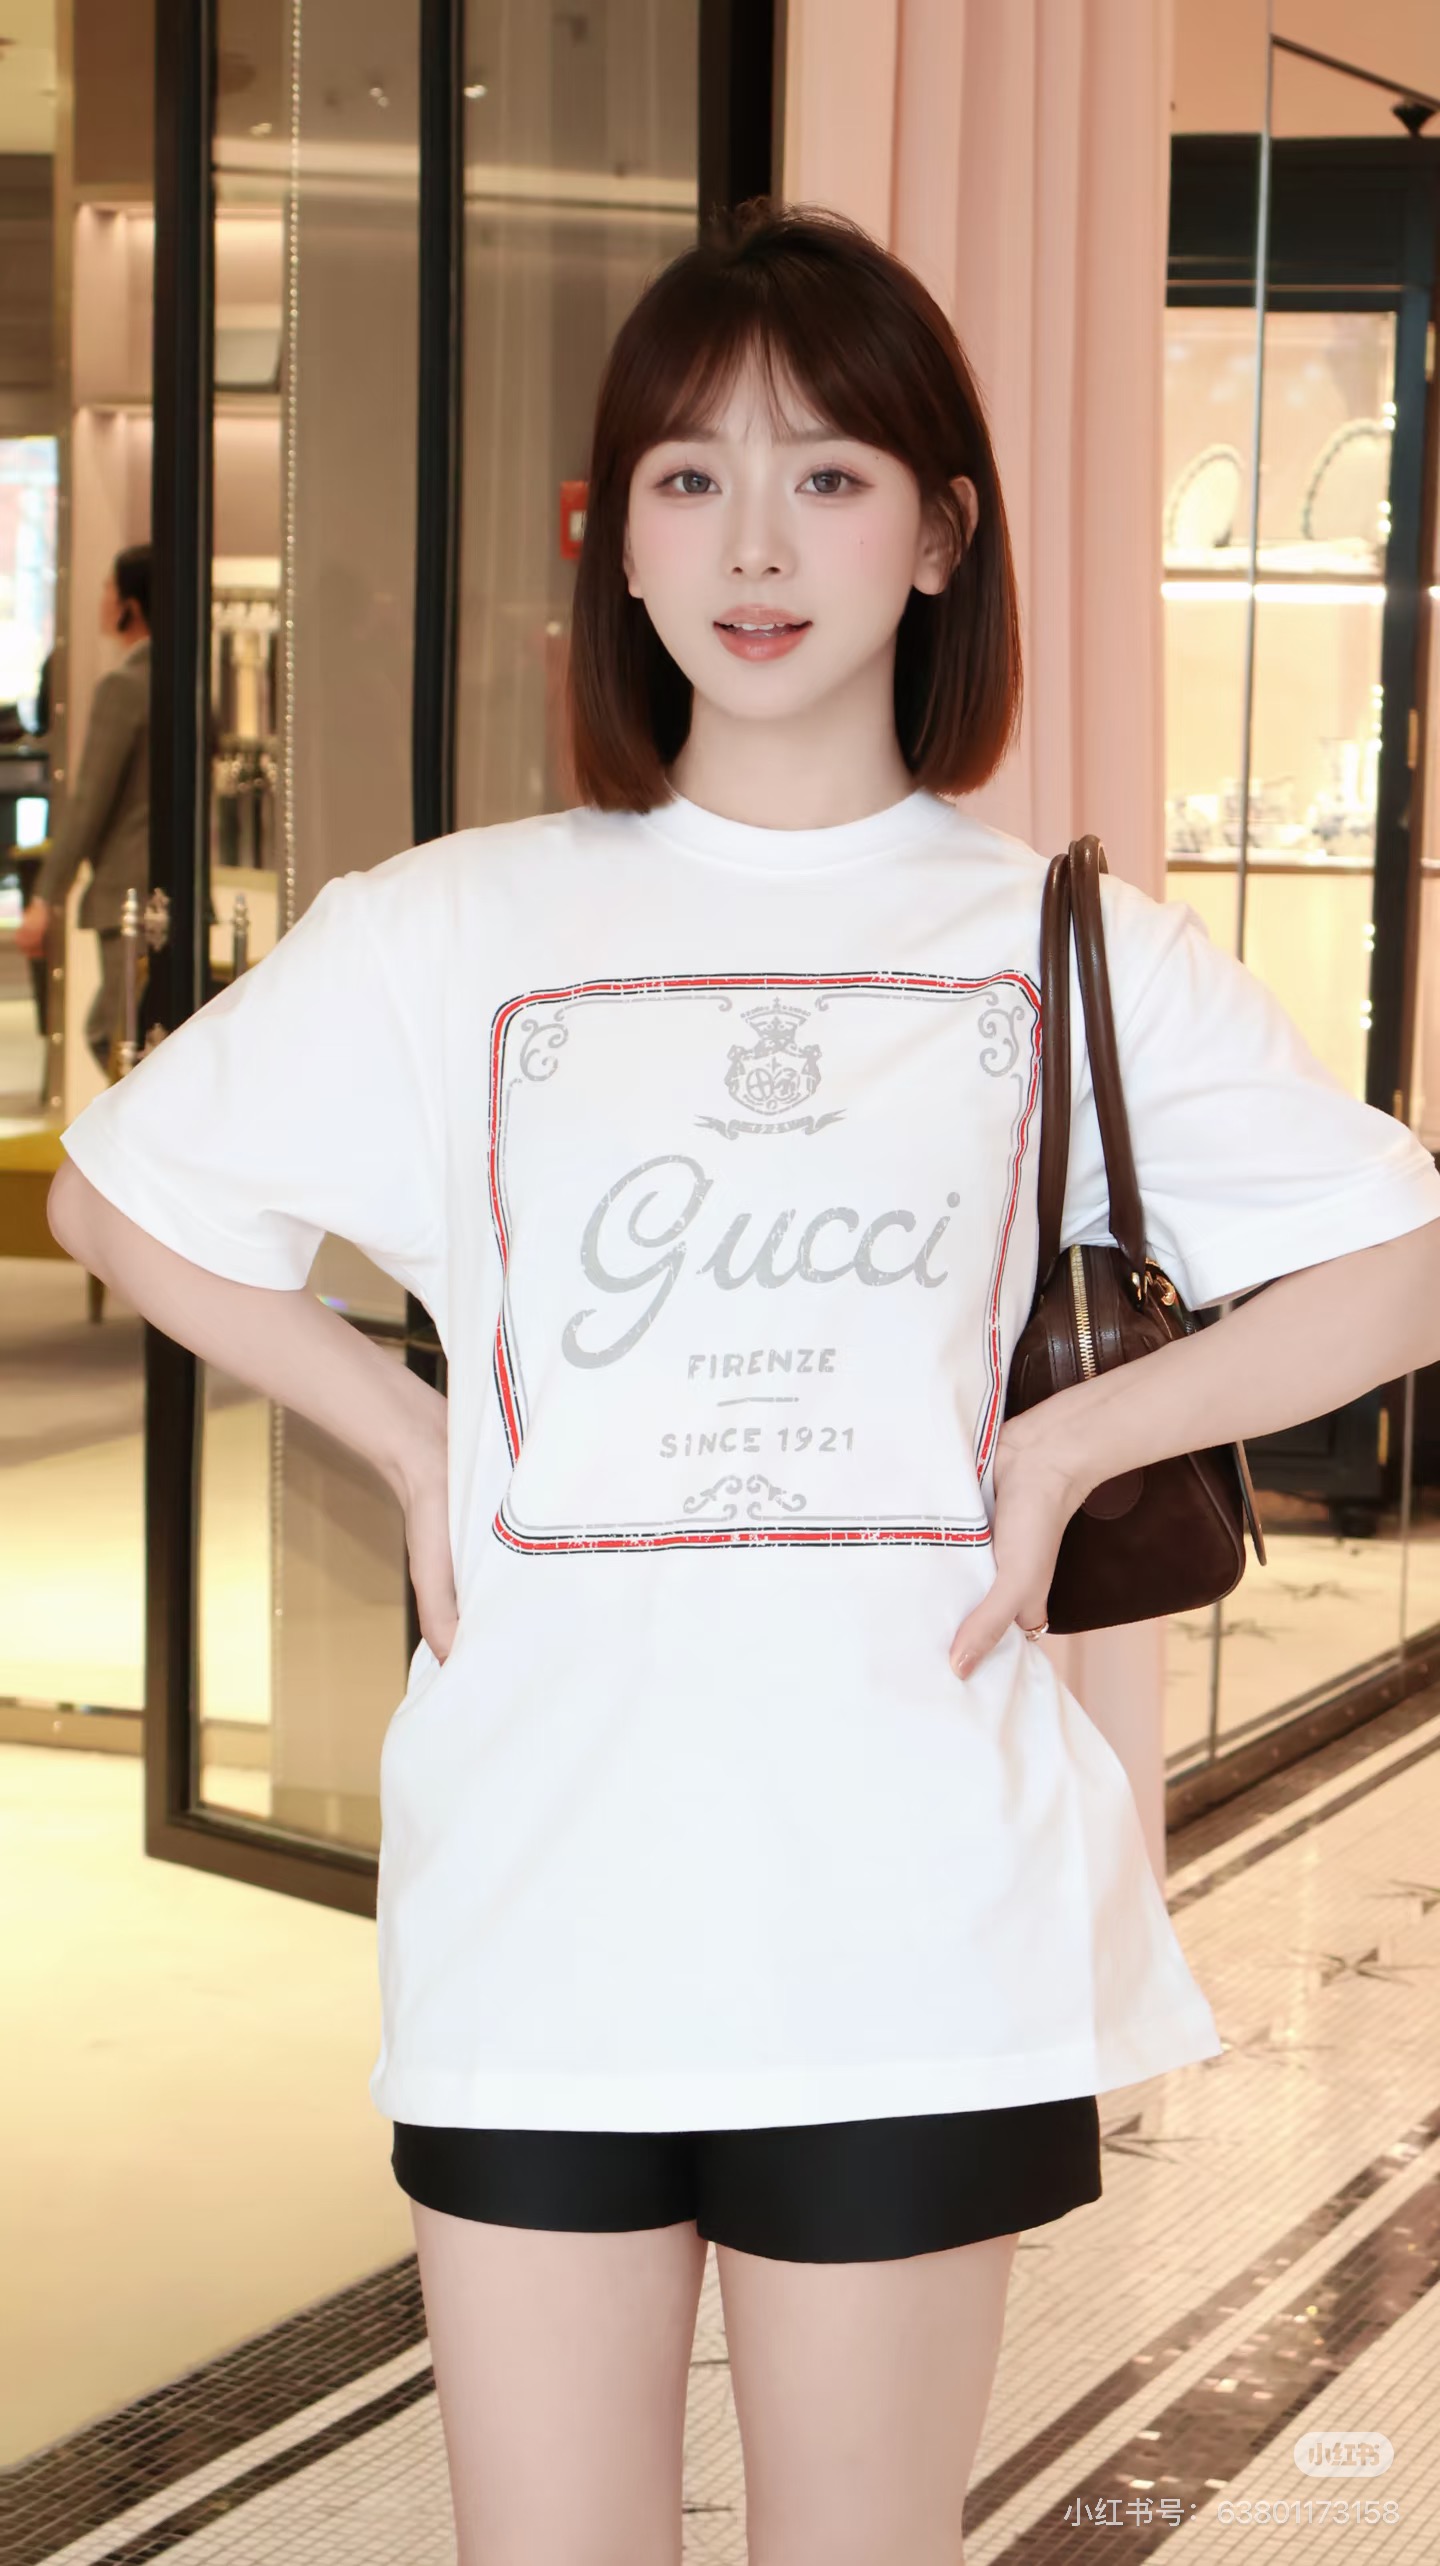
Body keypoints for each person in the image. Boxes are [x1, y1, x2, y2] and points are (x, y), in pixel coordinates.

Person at [44, 203, 1440, 2561]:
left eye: (828, 476)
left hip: (912, 1905)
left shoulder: (1054, 945)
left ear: (940, 531)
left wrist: (1071, 1440)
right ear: (614, 538)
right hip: (542, 1896)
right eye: (688, 478)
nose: (755, 545)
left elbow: (1398, 1261)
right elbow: (124, 1194)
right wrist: (405, 1427)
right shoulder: (453, 927)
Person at [16, 543, 152, 1073]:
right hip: (168, 891)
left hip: (127, 895)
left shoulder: (123, 688)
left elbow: (90, 801)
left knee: (116, 1037)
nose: (103, 599)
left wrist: (46, 896)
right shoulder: (189, 682)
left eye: (109, 589)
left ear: (130, 605)